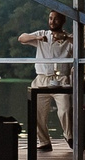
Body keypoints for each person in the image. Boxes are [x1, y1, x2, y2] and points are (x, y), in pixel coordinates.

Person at [17, 10, 78, 149]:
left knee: (65, 110)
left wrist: (65, 38)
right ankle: (44, 142)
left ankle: (69, 136)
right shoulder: (42, 34)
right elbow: (21, 38)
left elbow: (81, 47)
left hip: (62, 80)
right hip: (42, 79)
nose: (52, 21)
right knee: (37, 112)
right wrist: (38, 39)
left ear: (62, 21)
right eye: (50, 18)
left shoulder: (70, 39)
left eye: (56, 19)